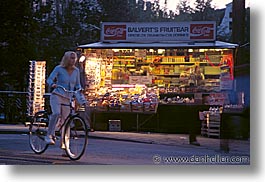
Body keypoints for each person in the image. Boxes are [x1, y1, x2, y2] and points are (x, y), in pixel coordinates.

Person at [45, 51, 89, 153]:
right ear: (66, 59)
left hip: (68, 97)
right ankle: (49, 135)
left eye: (74, 58)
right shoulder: (59, 69)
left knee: (66, 121)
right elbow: (50, 79)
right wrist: (53, 84)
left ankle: (65, 146)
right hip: (57, 95)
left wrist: (80, 89)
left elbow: (77, 84)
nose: (73, 60)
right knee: (56, 113)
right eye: (71, 58)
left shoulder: (76, 71)